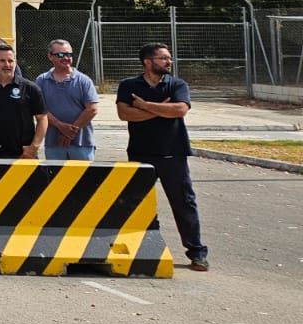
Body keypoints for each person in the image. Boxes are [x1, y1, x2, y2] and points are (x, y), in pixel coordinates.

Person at [117, 42, 208, 271]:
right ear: (148, 62)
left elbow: (179, 110)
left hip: (173, 154)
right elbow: (124, 113)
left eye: (169, 58)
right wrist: (160, 110)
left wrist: (145, 106)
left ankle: (197, 253)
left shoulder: (176, 84)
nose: (169, 62)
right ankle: (143, 250)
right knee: (138, 204)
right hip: (140, 153)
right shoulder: (129, 85)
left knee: (184, 203)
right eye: (164, 58)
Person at [36, 39, 99, 160]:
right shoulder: (41, 81)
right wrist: (60, 126)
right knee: (55, 178)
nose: (66, 58)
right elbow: (40, 109)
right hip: (54, 143)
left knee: (84, 178)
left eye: (69, 54)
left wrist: (70, 132)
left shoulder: (84, 81)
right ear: (50, 56)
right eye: (61, 55)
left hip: (82, 144)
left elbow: (92, 109)